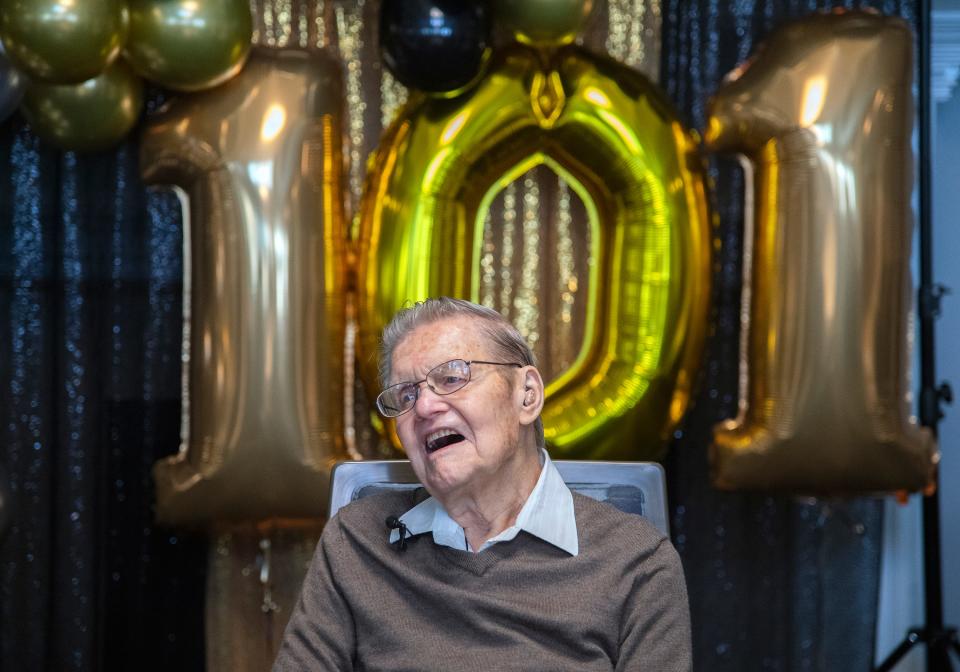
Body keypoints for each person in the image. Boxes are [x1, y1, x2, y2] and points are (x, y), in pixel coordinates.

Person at [273, 297, 692, 671]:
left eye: (452, 377)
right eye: (405, 396)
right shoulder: (356, 541)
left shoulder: (637, 562)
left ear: (527, 395)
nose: (424, 407)